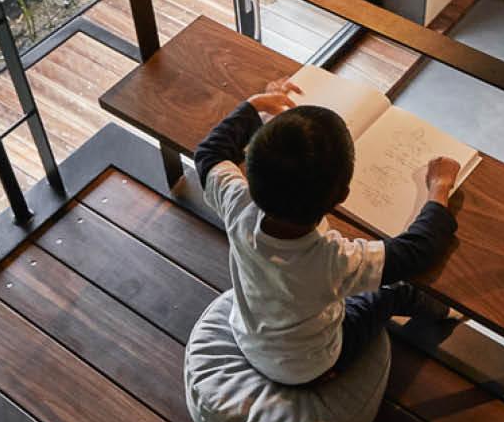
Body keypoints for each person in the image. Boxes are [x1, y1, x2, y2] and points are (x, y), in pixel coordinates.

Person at [193, 78, 460, 387]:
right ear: (343, 194)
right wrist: (440, 188)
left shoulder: (236, 202)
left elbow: (209, 154)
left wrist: (254, 106)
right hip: (313, 366)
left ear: (250, 174)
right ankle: (447, 314)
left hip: (249, 337)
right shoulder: (333, 260)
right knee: (397, 292)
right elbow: (417, 253)